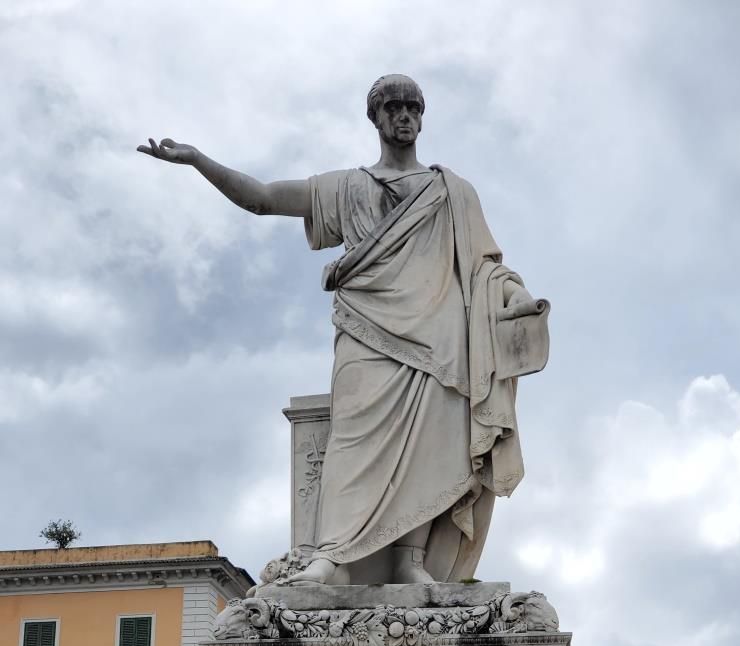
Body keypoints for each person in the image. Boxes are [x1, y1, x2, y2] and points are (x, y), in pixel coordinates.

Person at [138, 74, 549, 586]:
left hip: (437, 338)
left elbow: (485, 266)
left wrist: (516, 298)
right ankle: (330, 556)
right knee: (352, 440)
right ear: (375, 117)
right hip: (367, 330)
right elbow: (263, 198)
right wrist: (200, 161)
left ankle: (410, 561)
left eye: (413, 107)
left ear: (423, 117)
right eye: (393, 107)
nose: (404, 116)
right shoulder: (347, 187)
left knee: (427, 450)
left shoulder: (453, 193)